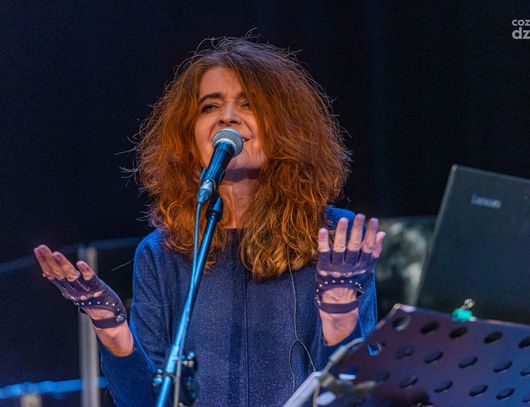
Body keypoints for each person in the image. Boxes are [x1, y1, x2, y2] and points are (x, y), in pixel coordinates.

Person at [33, 37, 385, 406]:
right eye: (210, 106)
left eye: (248, 104)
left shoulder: (333, 241)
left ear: (285, 127)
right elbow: (143, 402)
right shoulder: (161, 253)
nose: (227, 117)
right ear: (189, 136)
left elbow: (362, 399)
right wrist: (115, 336)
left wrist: (341, 326)